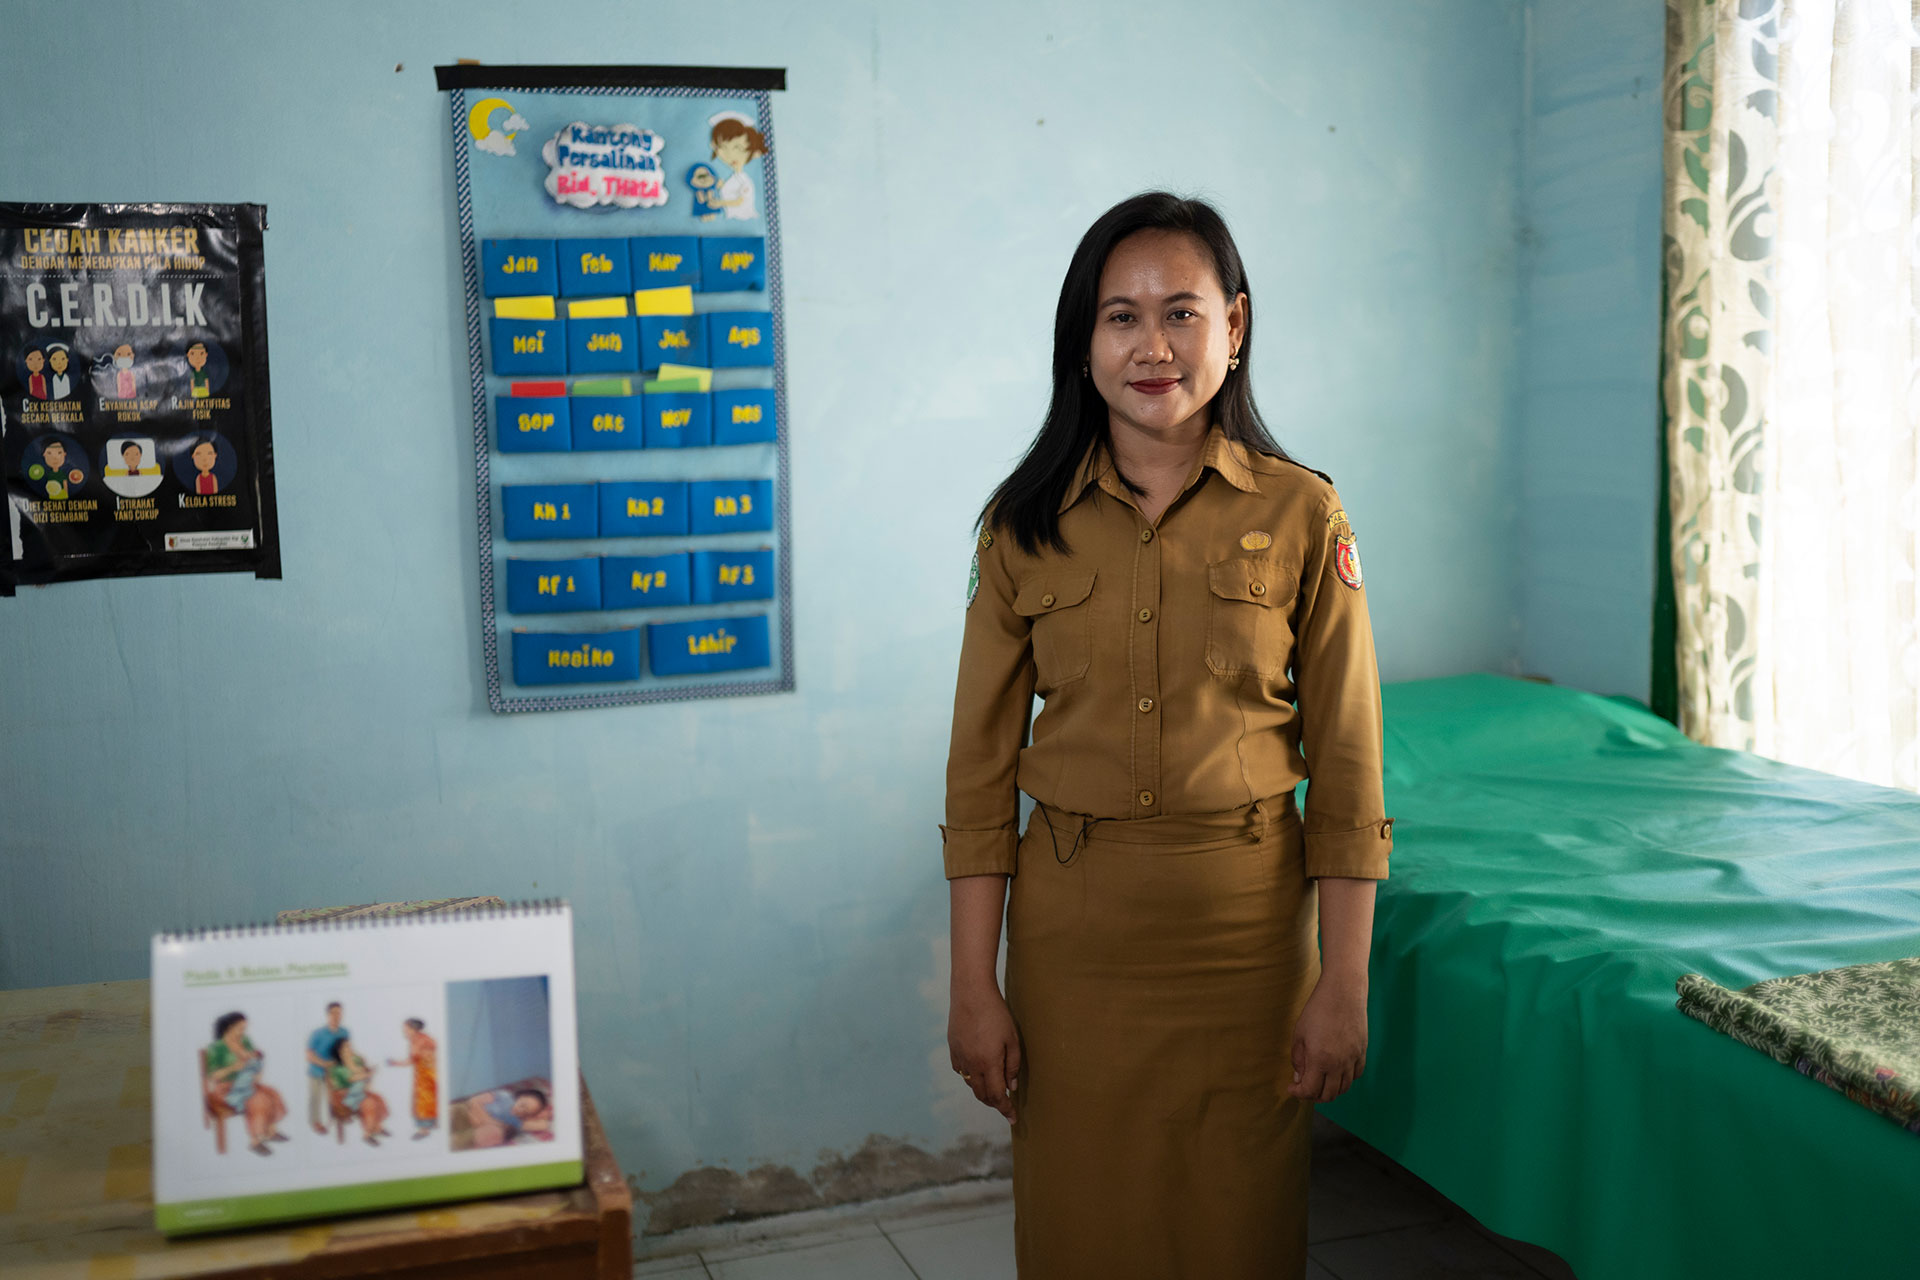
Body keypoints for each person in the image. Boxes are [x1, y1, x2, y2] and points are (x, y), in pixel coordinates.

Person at [942, 192, 1393, 1279]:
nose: (1153, 347)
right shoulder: (1020, 527)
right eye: (1122, 317)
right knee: (1082, 1222)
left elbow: (1348, 766)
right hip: (1074, 942)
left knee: (1237, 1224)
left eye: (1182, 313)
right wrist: (973, 985)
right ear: (1083, 341)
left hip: (1246, 941)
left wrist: (1344, 982)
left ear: (1234, 325)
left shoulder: (1304, 513)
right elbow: (978, 775)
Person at [204, 1012, 290, 1156]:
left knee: (272, 1092)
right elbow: (212, 1075)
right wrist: (233, 1068)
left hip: (247, 1082)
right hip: (225, 1088)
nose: (243, 1031)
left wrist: (256, 1070)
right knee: (257, 1099)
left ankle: (270, 1131)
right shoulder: (216, 1048)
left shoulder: (245, 1041)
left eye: (244, 1028)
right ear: (230, 1028)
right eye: (240, 1028)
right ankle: (255, 1141)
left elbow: (255, 1060)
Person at [327, 1035, 391, 1146]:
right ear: (339, 1051)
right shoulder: (337, 1068)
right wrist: (366, 1074)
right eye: (346, 1047)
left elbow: (363, 1072)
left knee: (378, 1098)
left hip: (358, 1091)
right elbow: (352, 1078)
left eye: (349, 1046)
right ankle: (367, 1134)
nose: (350, 1049)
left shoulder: (355, 1060)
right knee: (369, 1103)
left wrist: (367, 1073)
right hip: (344, 1096)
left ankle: (377, 1128)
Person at [706, 112, 767, 221]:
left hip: (743, 219)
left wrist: (720, 203)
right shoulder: (735, 177)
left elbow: (740, 201)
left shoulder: (745, 180)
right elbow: (732, 190)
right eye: (723, 148)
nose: (730, 155)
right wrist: (722, 186)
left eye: (738, 148)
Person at [386, 1017, 439, 1139]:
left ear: (413, 1030)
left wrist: (395, 1063)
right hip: (426, 1074)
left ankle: (424, 1130)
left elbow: (412, 1060)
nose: (404, 1032)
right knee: (428, 1099)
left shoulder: (418, 1041)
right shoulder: (422, 1039)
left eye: (406, 1030)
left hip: (426, 1075)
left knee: (423, 1101)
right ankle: (430, 1124)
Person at [304, 1002, 348, 1135]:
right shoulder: (317, 1033)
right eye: (333, 1013)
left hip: (336, 1072)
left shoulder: (344, 1032)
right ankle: (316, 1122)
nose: (336, 1016)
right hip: (317, 1071)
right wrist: (324, 1064)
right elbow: (309, 1055)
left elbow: (347, 1051)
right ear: (328, 1014)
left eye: (339, 1013)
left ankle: (338, 1117)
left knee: (337, 1097)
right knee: (315, 1097)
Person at [461, 1086, 553, 1148]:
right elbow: (473, 1100)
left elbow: (543, 1125)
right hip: (467, 1113)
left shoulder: (516, 1121)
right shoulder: (504, 1096)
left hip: (474, 1129)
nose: (520, 1110)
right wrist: (485, 1119)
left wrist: (540, 1114)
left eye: (526, 1112)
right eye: (523, 1105)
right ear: (520, 1096)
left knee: (493, 1132)